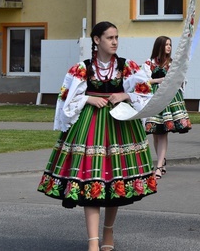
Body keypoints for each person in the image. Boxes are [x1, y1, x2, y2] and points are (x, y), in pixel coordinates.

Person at [37, 21, 156, 251]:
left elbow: (145, 92)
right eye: (110, 37)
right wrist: (88, 99)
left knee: (115, 181)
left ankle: (108, 232)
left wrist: (124, 95)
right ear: (96, 40)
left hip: (119, 127)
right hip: (89, 126)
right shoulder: (82, 68)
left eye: (116, 37)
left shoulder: (126, 66)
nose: (114, 42)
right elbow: (65, 99)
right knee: (90, 180)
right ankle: (93, 241)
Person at [143, 36, 192, 180]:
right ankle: (161, 161)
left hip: (169, 98)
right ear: (159, 46)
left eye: (170, 44)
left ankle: (158, 166)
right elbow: (143, 80)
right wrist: (158, 80)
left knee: (163, 131)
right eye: (166, 45)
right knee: (156, 132)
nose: (169, 47)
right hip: (154, 98)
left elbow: (181, 79)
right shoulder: (149, 63)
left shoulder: (173, 63)